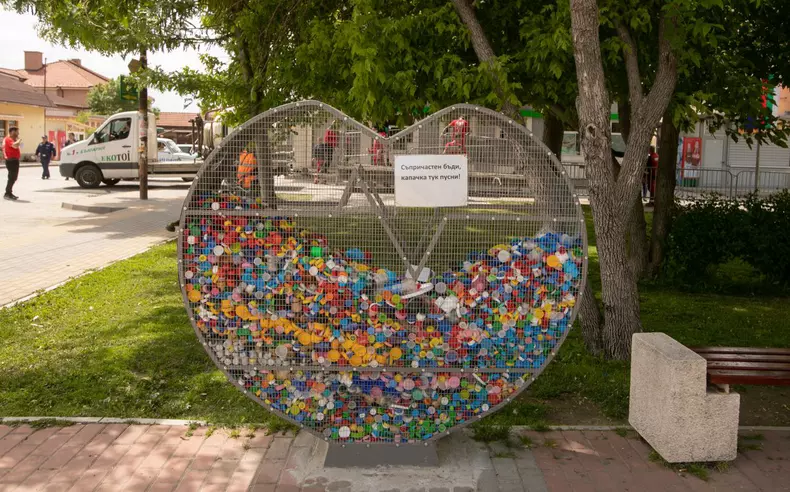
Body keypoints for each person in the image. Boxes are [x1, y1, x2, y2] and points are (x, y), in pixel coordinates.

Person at [3, 126, 21, 200]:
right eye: (17, 131)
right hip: (11, 161)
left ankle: (9, 193)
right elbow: (15, 146)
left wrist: (17, 140)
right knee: (12, 177)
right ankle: (7, 193)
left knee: (13, 178)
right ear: (12, 132)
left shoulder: (13, 139)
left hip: (14, 160)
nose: (18, 133)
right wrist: (19, 140)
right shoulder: (8, 139)